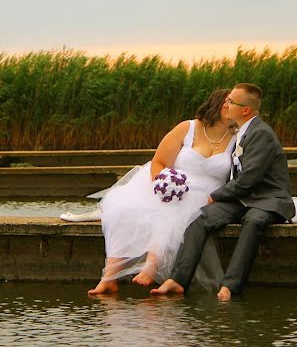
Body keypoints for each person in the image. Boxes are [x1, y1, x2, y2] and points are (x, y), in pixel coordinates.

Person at [87, 88, 238, 295]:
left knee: (179, 209)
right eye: (229, 102)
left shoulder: (238, 137)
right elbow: (159, 162)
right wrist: (163, 184)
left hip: (207, 193)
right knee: (123, 209)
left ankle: (152, 264)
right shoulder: (188, 128)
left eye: (236, 103)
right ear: (217, 104)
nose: (232, 107)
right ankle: (109, 277)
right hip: (166, 182)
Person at [151, 82, 294, 301]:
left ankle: (230, 285)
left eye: (230, 101)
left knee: (254, 221)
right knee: (201, 218)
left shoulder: (261, 134)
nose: (225, 104)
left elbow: (249, 179)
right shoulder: (240, 132)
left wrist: (215, 195)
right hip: (244, 198)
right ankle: (178, 280)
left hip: (267, 199)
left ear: (245, 110)